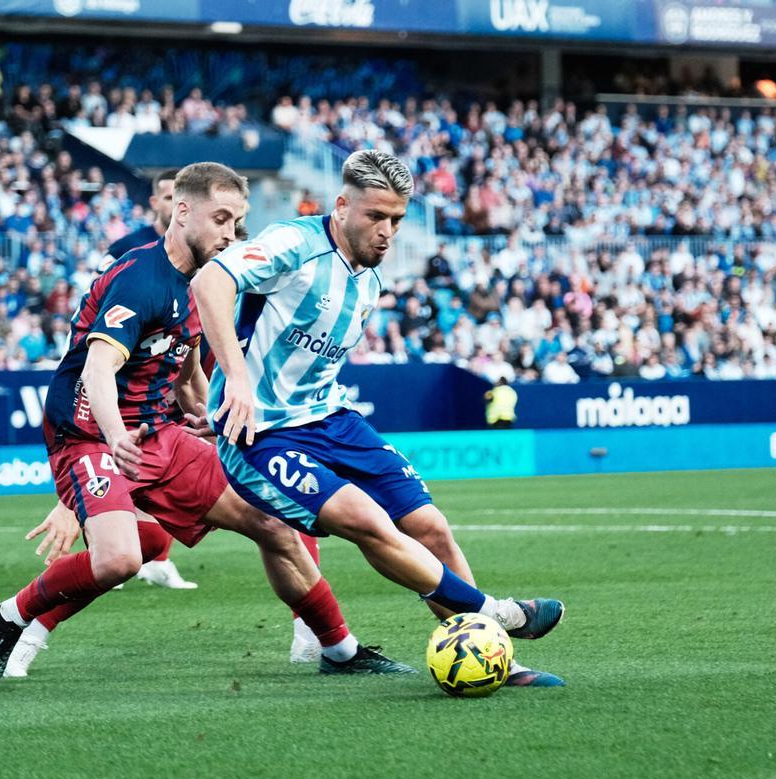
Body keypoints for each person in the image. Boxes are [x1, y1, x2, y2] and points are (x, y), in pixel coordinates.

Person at [0, 163, 421, 688]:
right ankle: (11, 617)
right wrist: (115, 439)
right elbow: (97, 368)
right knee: (119, 559)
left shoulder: (207, 284)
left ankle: (337, 649)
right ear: (182, 212)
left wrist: (213, 419)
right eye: (221, 219)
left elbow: (184, 374)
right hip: (92, 434)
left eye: (237, 222)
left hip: (158, 434)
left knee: (273, 522)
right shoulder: (140, 278)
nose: (231, 234)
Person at [193, 149, 566, 687]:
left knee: (430, 527)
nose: (387, 230)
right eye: (375, 216)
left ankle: (494, 660)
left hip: (330, 420)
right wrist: (238, 386)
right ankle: (498, 614)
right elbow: (210, 284)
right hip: (262, 435)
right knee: (366, 519)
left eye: (396, 219)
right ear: (342, 205)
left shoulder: (369, 279)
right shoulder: (294, 244)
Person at [96, 168, 195, 590]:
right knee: (110, 454)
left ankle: (158, 556)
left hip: (170, 359)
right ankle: (108, 547)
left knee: (166, 451)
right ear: (155, 202)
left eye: (180, 196)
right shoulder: (125, 250)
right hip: (122, 365)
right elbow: (97, 299)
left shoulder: (197, 250)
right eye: (167, 196)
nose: (174, 203)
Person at [99, 169, 178, 271]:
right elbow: (95, 283)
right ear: (154, 202)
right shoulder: (126, 247)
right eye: (169, 198)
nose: (177, 205)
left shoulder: (198, 250)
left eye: (182, 199)